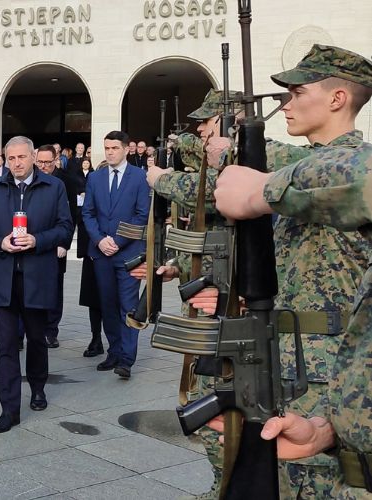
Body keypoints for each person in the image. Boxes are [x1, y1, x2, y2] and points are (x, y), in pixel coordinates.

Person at [182, 45, 372, 499]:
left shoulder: (334, 173)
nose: (285, 103)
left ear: (337, 98)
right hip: (281, 355)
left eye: (297, 92)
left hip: (328, 371)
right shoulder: (300, 175)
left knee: (311, 485)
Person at [0, 136, 73, 433]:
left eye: (21, 157)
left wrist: (37, 240)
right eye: (11, 158)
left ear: (32, 157)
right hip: (4, 276)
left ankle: (38, 386)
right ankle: (9, 409)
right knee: (5, 345)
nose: (16, 163)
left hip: (38, 275)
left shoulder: (53, 186)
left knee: (36, 338)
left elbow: (65, 227)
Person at [81, 130, 149, 380]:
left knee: (128, 307)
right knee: (107, 305)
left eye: (114, 148)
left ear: (126, 149)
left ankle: (127, 359)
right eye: (106, 148)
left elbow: (142, 215)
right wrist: (100, 240)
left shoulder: (140, 177)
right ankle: (114, 350)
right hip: (101, 254)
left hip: (129, 254)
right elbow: (87, 213)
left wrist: (117, 242)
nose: (109, 152)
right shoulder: (95, 178)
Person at [34, 145, 82, 349]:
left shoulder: (67, 181)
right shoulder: (31, 178)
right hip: (34, 243)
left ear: (56, 160)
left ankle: (51, 330)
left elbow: (72, 216)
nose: (44, 166)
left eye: (48, 162)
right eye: (40, 162)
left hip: (57, 243)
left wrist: (65, 242)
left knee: (54, 289)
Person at [75, 157, 103, 357]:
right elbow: (83, 219)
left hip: (114, 253)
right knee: (93, 301)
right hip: (93, 255)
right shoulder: (89, 196)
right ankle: (96, 338)